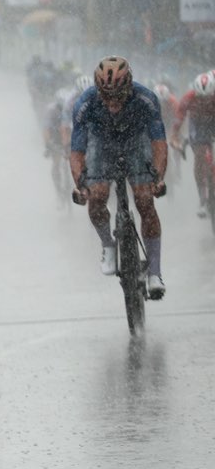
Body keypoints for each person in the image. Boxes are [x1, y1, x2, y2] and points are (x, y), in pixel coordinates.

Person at [69, 56, 167, 299]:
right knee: (97, 195)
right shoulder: (85, 102)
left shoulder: (146, 99)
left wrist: (158, 178)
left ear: (129, 86)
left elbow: (159, 144)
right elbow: (77, 151)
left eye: (118, 96)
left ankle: (155, 272)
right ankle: (108, 245)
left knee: (145, 200)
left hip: (136, 142)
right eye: (106, 96)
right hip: (102, 145)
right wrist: (81, 185)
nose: (112, 102)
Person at [170, 70, 215, 218]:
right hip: (197, 126)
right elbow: (180, 116)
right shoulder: (188, 97)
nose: (203, 101)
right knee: (200, 158)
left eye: (207, 98)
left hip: (212, 121)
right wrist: (175, 134)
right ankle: (202, 199)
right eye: (200, 98)